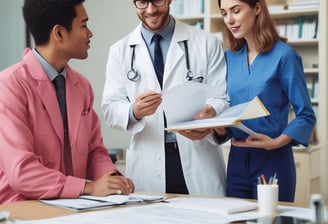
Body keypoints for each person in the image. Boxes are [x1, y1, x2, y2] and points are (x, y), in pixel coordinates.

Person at [0, 0, 134, 204]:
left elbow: (94, 150)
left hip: (72, 206)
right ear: (59, 33)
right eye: (83, 25)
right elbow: (22, 172)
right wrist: (88, 187)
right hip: (23, 207)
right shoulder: (10, 85)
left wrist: (111, 178)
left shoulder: (82, 86)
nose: (90, 33)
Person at [101, 0, 229, 195]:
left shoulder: (206, 42)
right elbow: (110, 108)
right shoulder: (119, 51)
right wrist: (133, 111)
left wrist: (209, 115)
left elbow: (222, 98)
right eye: (143, 2)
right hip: (148, 160)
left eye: (158, 1)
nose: (151, 10)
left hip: (198, 157)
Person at [215, 0, 316, 201]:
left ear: (258, 8)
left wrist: (277, 142)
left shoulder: (284, 56)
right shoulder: (229, 58)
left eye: (236, 11)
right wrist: (217, 127)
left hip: (273, 160)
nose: (229, 20)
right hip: (236, 160)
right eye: (224, 13)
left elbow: (305, 115)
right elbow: (227, 109)